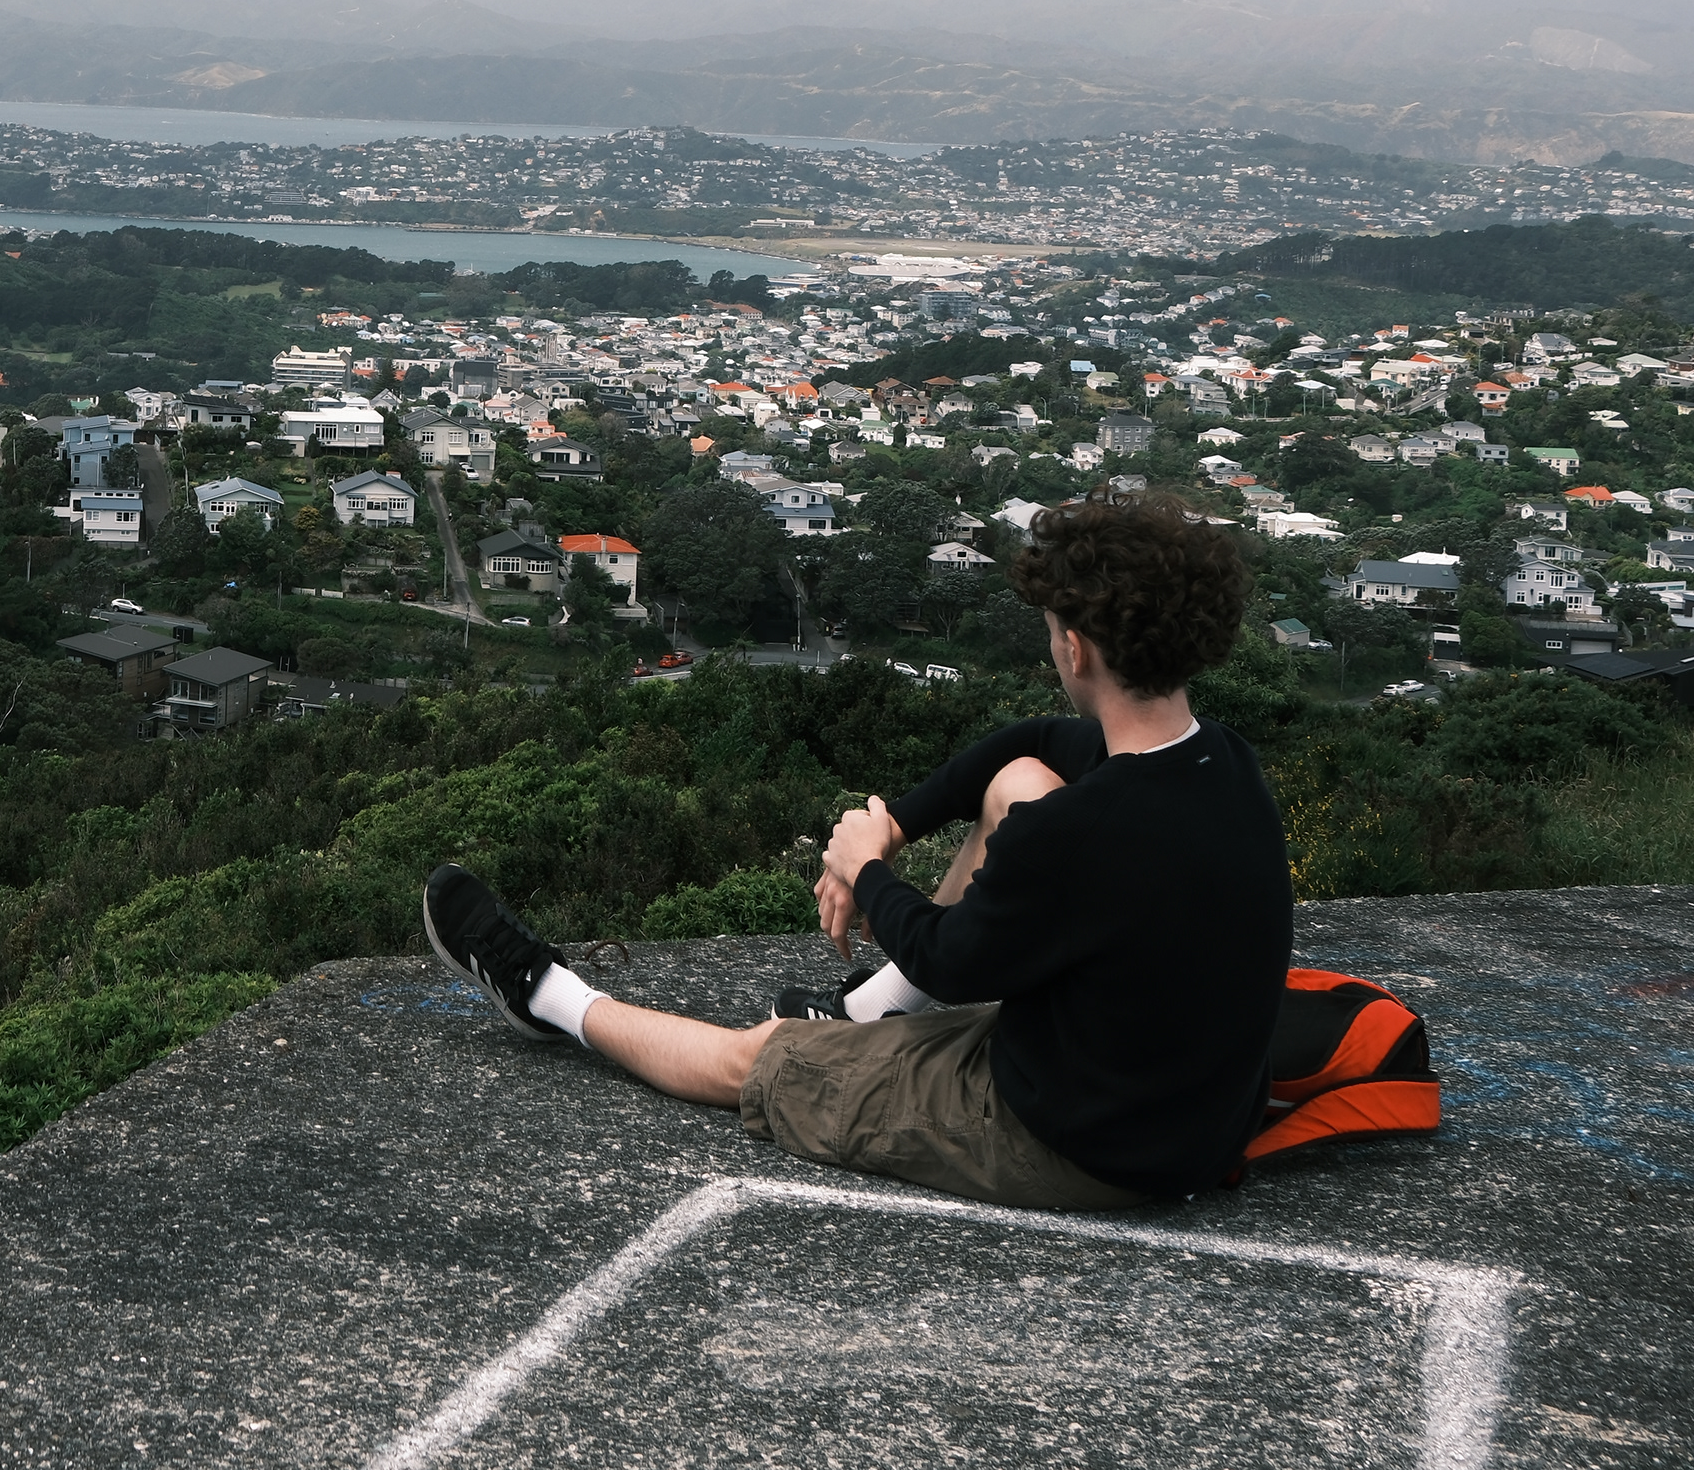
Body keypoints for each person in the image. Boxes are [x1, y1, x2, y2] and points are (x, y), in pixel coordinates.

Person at [421, 492, 1293, 1209]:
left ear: (1076, 646)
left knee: (758, 1054)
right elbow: (1028, 745)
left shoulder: (1079, 833)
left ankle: (548, 997)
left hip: (1079, 1144)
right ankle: (868, 1012)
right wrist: (896, 823)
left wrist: (866, 867)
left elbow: (950, 960)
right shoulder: (1223, 763)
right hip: (1181, 1108)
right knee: (1023, 778)